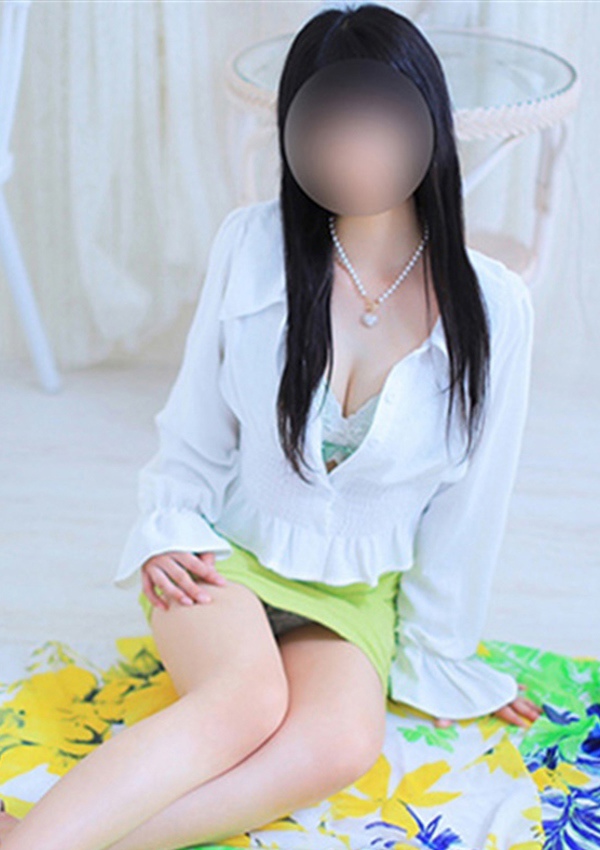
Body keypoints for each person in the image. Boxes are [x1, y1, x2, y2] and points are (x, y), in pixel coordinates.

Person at [0, 4, 543, 849]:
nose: (353, 150)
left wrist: (443, 658)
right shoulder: (253, 247)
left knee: (339, 746)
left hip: (354, 594)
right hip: (227, 553)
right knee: (245, 702)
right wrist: (168, 526)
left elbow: (471, 506)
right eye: (331, 126)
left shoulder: (494, 306)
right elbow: (194, 424)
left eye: (377, 124)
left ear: (427, 126)